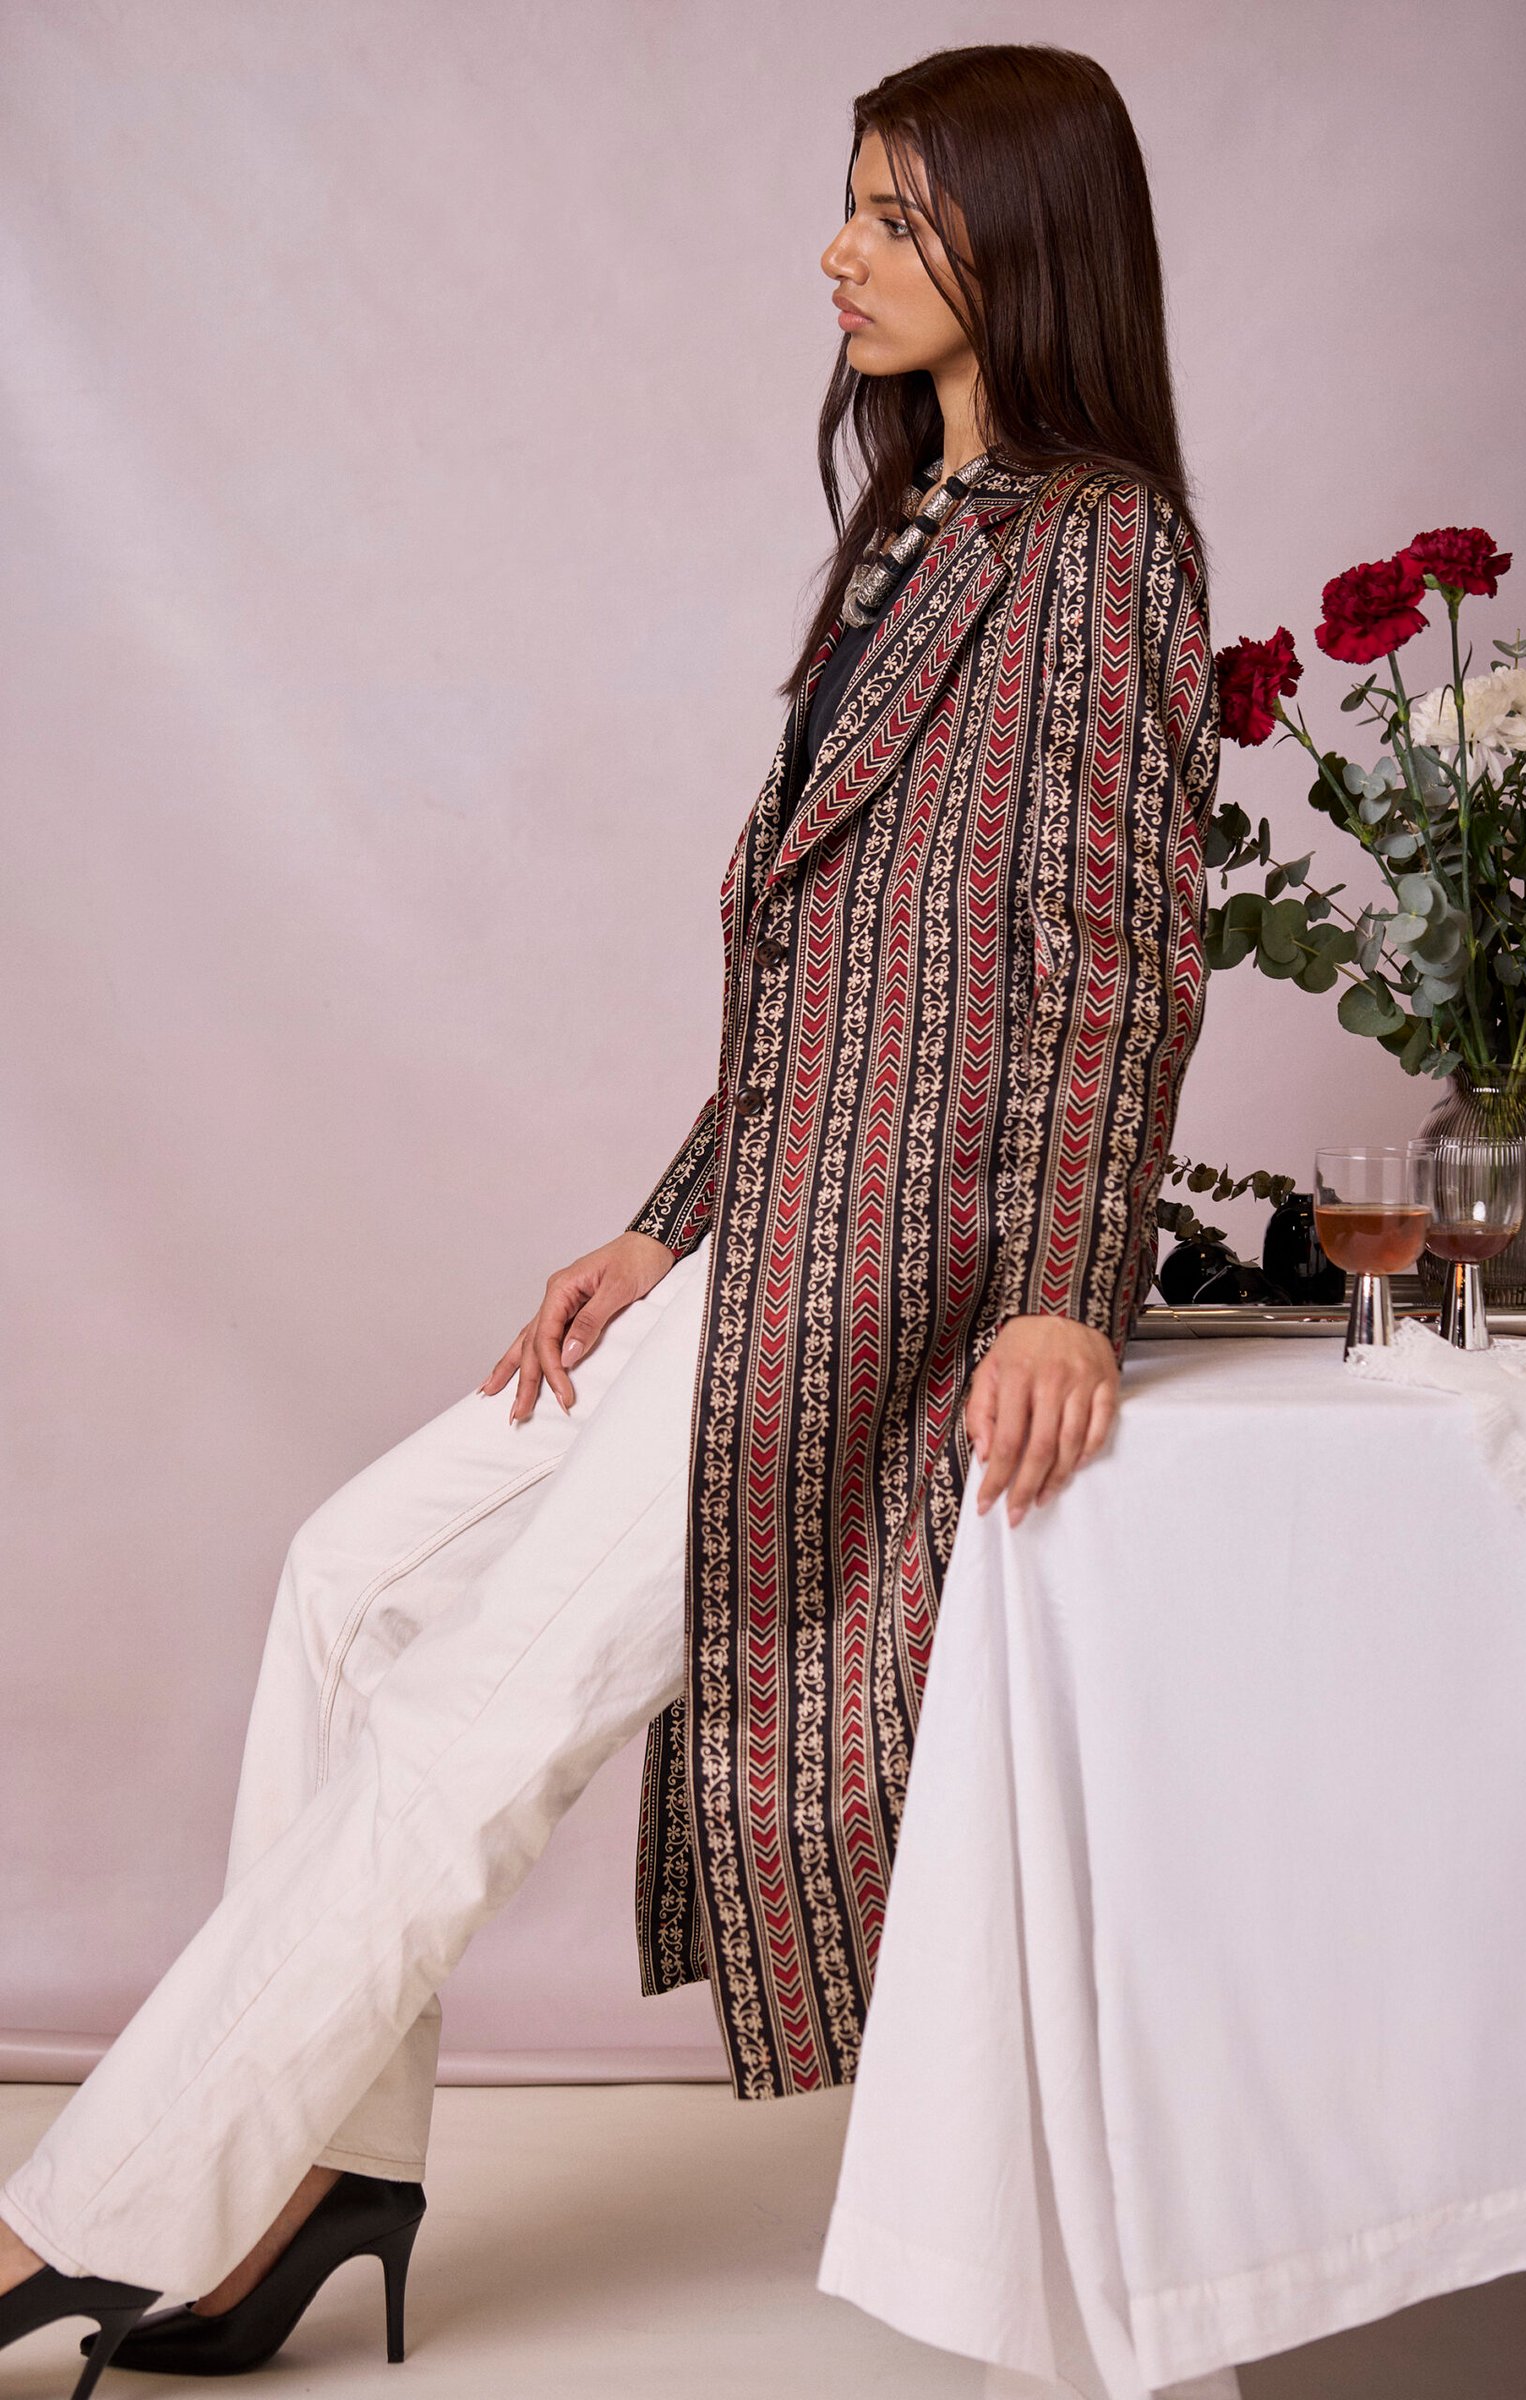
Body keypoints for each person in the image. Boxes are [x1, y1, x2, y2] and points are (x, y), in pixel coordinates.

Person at [0, 39, 1219, 2393]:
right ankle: (317, 2180)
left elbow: (1111, 961)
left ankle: (97, 2214)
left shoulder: (1094, 542)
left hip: (884, 1287)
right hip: (756, 1242)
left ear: (1021, 242)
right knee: (349, 1578)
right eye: (846, 199)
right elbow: (823, 972)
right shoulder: (914, 532)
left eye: (895, 213)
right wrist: (662, 1222)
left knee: (473, 1721)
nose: (837, 250)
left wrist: (1067, 1294)